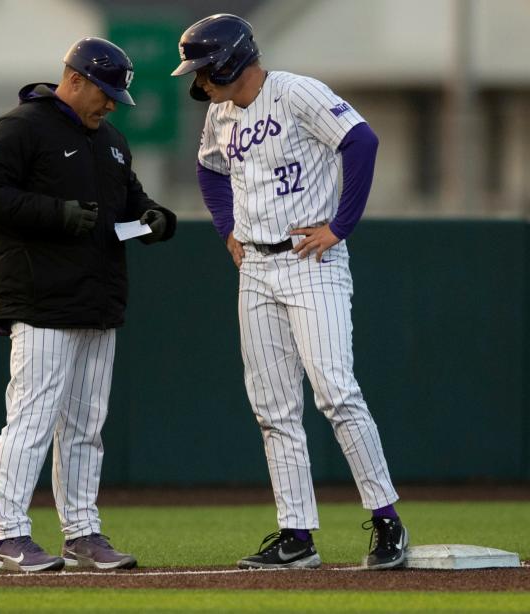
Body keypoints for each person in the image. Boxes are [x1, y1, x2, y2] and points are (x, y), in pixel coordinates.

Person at [171, 14, 409, 570]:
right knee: (274, 409)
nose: (200, 81)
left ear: (230, 61)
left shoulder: (298, 92)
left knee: (336, 392)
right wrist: (225, 226)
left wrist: (341, 225)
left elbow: (362, 141)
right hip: (255, 265)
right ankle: (296, 534)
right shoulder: (219, 113)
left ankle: (387, 520)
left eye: (205, 69)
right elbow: (208, 169)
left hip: (312, 260)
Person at [0, 37, 176, 572]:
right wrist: (54, 213)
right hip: (38, 297)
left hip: (97, 297)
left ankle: (82, 533)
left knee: (85, 425)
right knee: (32, 418)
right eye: (104, 92)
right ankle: (9, 536)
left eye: (115, 96)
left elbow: (132, 199)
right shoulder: (21, 126)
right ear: (75, 79)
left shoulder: (110, 140)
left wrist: (154, 218)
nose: (109, 104)